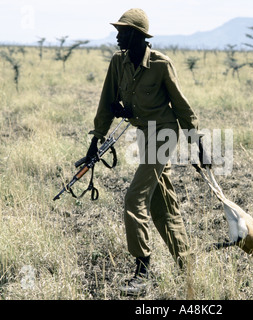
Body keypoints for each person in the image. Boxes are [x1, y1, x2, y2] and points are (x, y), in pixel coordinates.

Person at [85, 8, 210, 296]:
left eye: (123, 31)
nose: (117, 36)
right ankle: (187, 266)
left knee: (134, 198)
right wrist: (93, 148)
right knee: (161, 206)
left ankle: (143, 271)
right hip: (144, 134)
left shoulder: (161, 65)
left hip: (165, 135)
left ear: (138, 35)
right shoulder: (118, 62)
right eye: (118, 30)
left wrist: (199, 147)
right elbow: (105, 105)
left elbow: (182, 107)